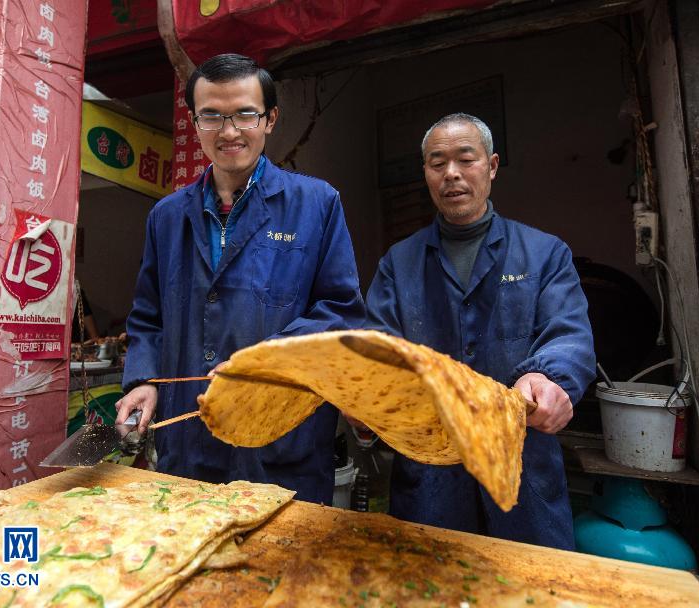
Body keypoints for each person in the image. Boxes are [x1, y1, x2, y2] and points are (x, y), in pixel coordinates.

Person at [116, 54, 364, 504]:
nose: (229, 132)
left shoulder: (317, 204)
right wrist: (143, 381)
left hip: (282, 440)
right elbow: (148, 318)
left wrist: (262, 360)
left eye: (244, 114)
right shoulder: (167, 217)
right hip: (188, 444)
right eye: (212, 116)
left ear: (269, 119)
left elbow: (340, 311)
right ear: (195, 124)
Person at [364, 113, 595, 549]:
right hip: (429, 473)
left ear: (490, 166)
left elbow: (569, 335)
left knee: (530, 589)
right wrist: (365, 402)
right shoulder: (399, 264)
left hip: (521, 467)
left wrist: (548, 378)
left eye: (464, 159)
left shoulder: (544, 253)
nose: (451, 173)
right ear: (427, 174)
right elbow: (376, 349)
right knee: (432, 588)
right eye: (437, 163)